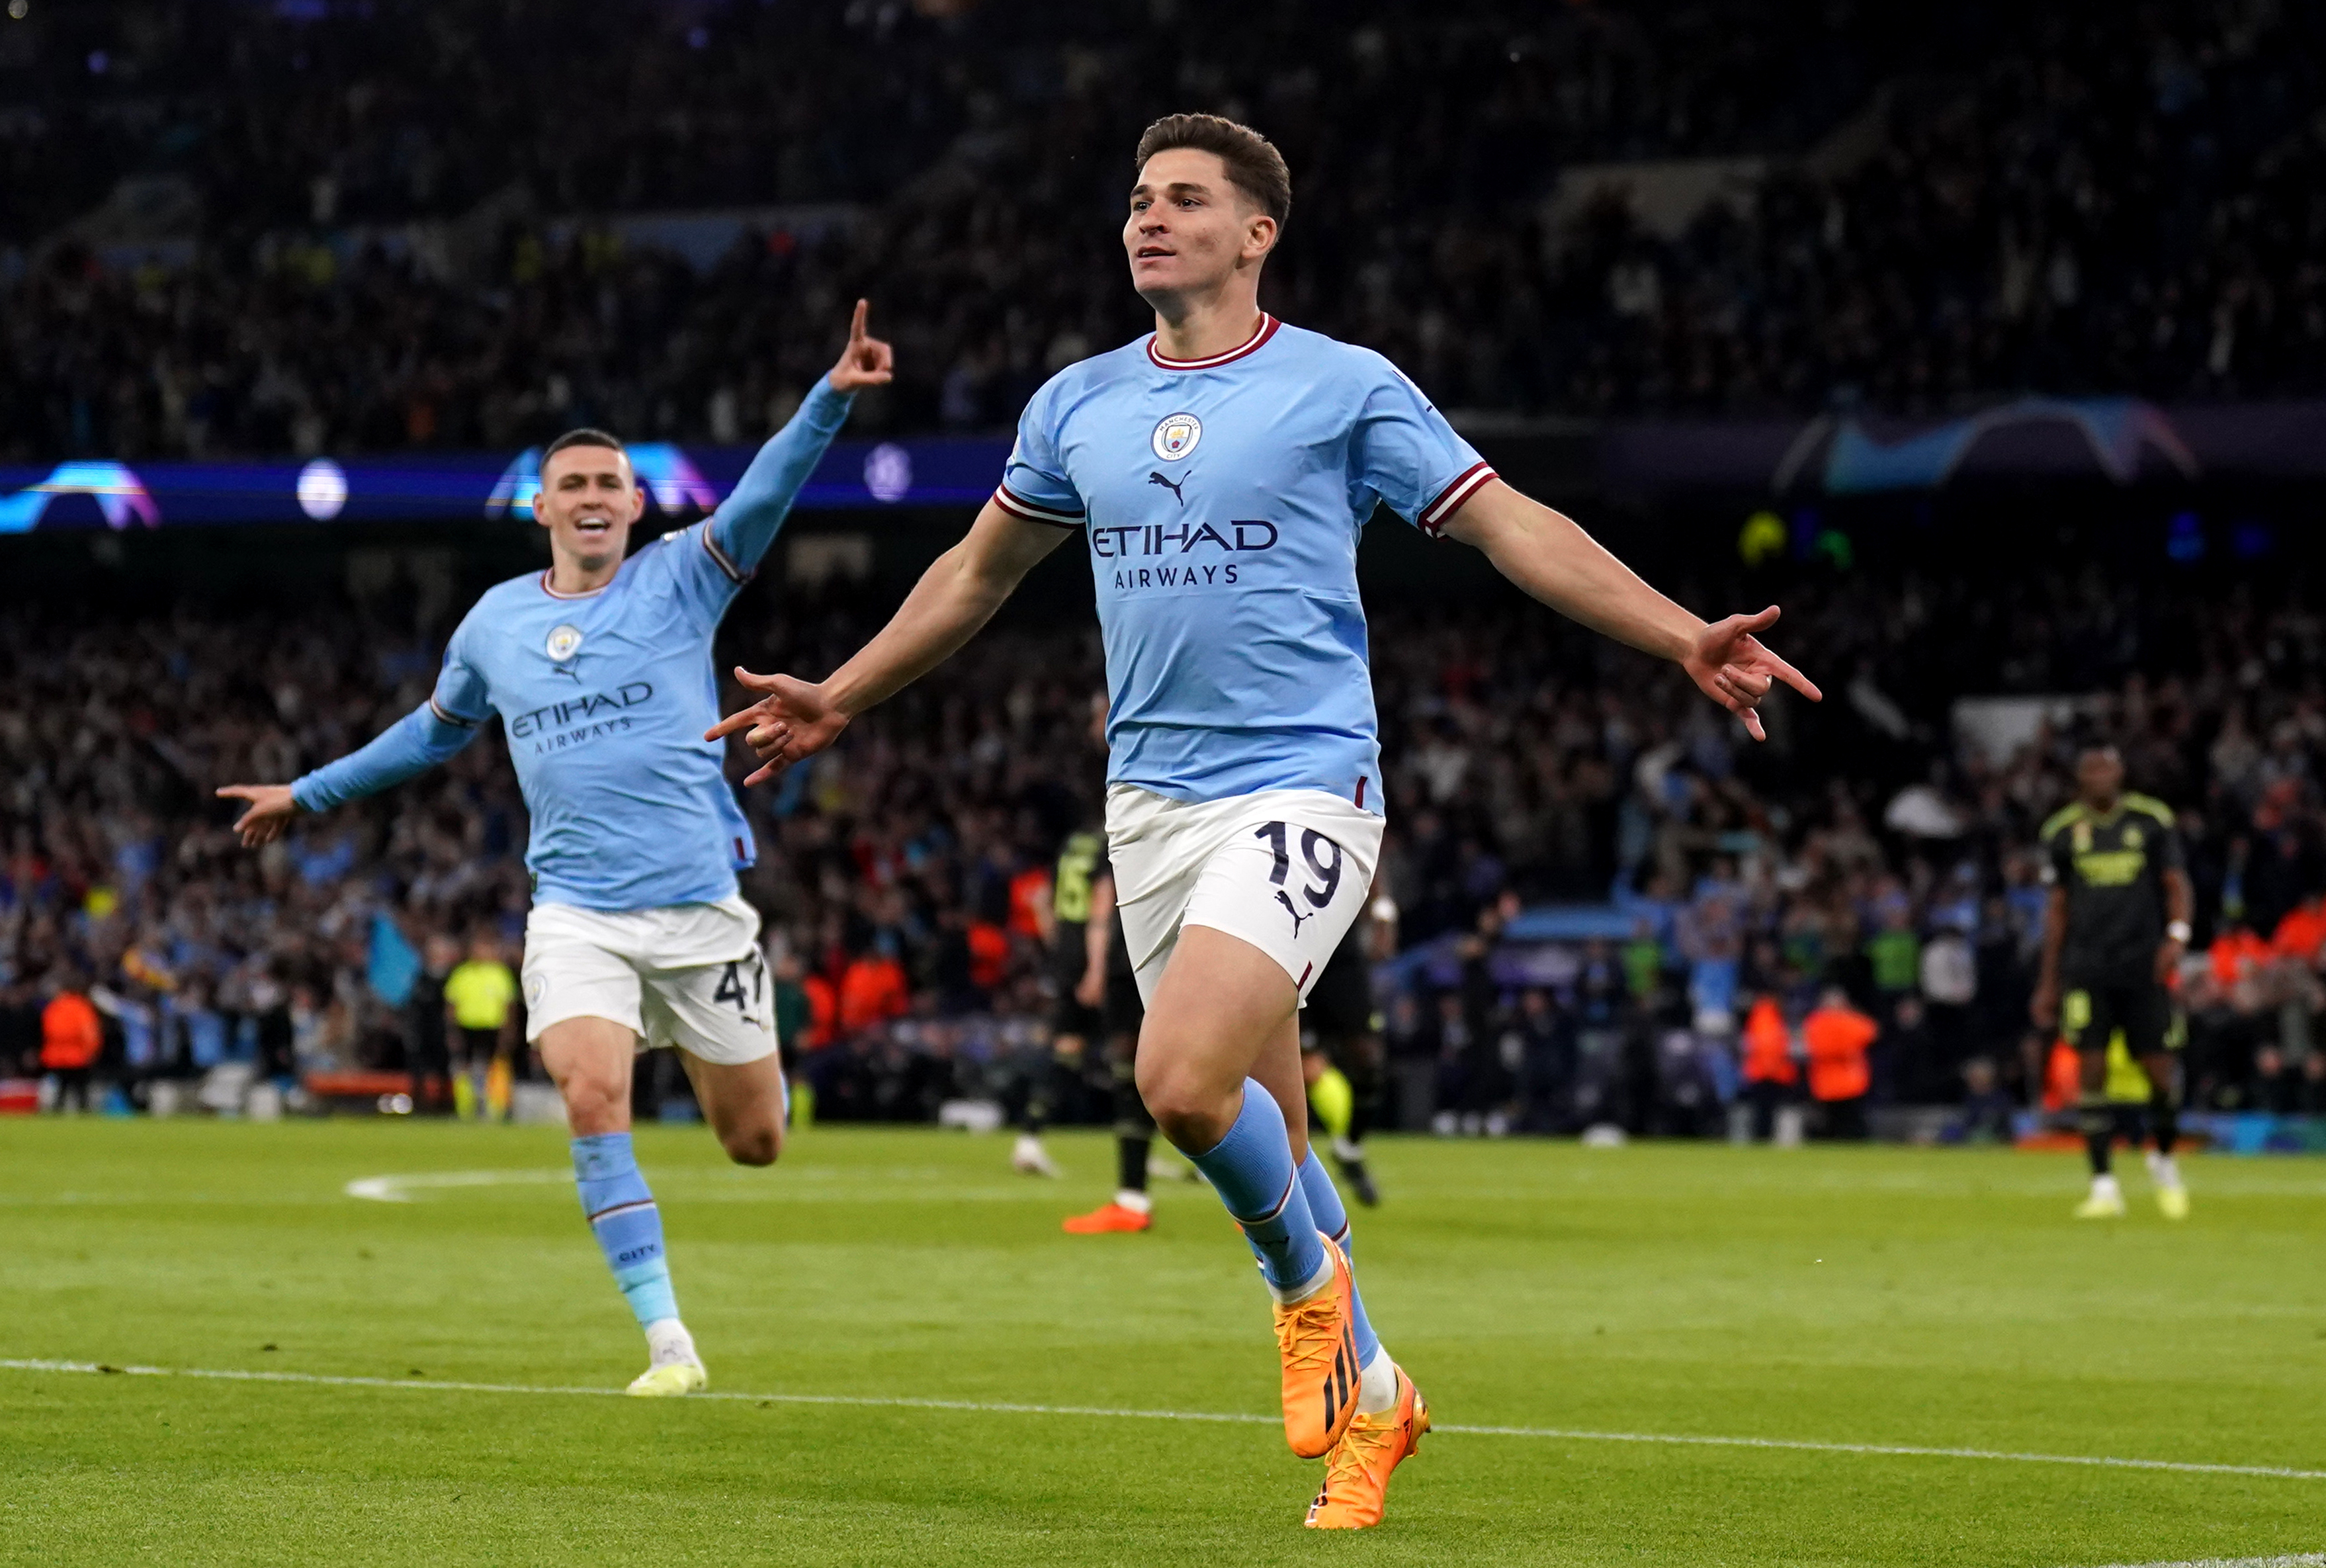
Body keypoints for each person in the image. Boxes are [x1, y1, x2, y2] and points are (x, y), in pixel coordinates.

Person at [709, 114, 1815, 1528]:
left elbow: (1510, 524)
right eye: (1135, 200)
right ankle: (1381, 1405)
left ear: (1257, 233)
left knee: (1176, 1083)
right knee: (1275, 1140)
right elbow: (975, 576)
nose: (1145, 220)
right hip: (1151, 808)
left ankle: (1303, 1296)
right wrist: (845, 697)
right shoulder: (1077, 403)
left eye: (1181, 199)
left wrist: (1677, 636)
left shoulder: (1342, 388)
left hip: (1302, 785)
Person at [216, 301, 894, 1394]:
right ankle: (668, 1341)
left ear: (635, 503)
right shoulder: (492, 625)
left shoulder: (685, 577)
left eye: (606, 484)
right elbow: (429, 736)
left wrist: (827, 398)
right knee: (588, 1096)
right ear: (540, 507)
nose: (589, 499)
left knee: (757, 1141)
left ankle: (691, 1048)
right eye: (569, 485)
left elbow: (766, 492)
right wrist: (307, 791)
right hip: (577, 912)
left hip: (700, 911)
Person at [2031, 745, 2194, 1220]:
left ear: (2121, 772)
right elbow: (2057, 910)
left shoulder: (2150, 821)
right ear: (2080, 777)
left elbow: (2176, 884)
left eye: (2106, 767)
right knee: (2092, 1071)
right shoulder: (2061, 831)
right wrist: (2048, 981)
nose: (2099, 776)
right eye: (2090, 769)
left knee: (2161, 1073)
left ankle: (2162, 1157)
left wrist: (2177, 937)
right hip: (2087, 967)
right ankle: (2103, 1184)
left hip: (2145, 965)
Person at [1011, 816, 1107, 1179]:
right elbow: (1103, 900)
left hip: (1067, 953)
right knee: (1135, 1048)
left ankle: (1029, 1140)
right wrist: (1096, 970)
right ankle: (1150, 1149)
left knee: (1068, 1048)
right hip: (1099, 954)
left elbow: (1042, 901)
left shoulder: (1074, 842)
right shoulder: (1114, 842)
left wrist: (1059, 950)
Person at [1299, 868, 1395, 1204]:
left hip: (1341, 953)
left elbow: (1372, 858)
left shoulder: (1353, 817)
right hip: (1292, 943)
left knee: (1369, 1060)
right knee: (1300, 1068)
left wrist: (1383, 918)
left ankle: (1349, 1147)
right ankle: (1278, 1187)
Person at [444, 933, 520, 1121]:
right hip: (466, 1026)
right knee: (464, 1068)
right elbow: (451, 1004)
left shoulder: (499, 973)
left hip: (492, 1027)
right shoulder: (462, 974)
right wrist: (451, 1030)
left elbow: (509, 1005)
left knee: (494, 1067)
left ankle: (495, 1108)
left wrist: (509, 1030)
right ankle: (466, 1108)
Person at [1803, 986, 1877, 1140]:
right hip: (1831, 1084)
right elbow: (1819, 1048)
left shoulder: (1842, 1020)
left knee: (1848, 1123)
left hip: (1846, 1084)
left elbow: (1870, 1032)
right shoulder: (1819, 1022)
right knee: (1834, 1125)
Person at [40, 974, 103, 1113]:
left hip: (58, 1057)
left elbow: (47, 1032)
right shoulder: (81, 1007)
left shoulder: (54, 1007)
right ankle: (84, 1117)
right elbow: (90, 1032)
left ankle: (56, 1119)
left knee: (61, 1091)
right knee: (80, 1091)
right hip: (78, 1056)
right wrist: (92, 1051)